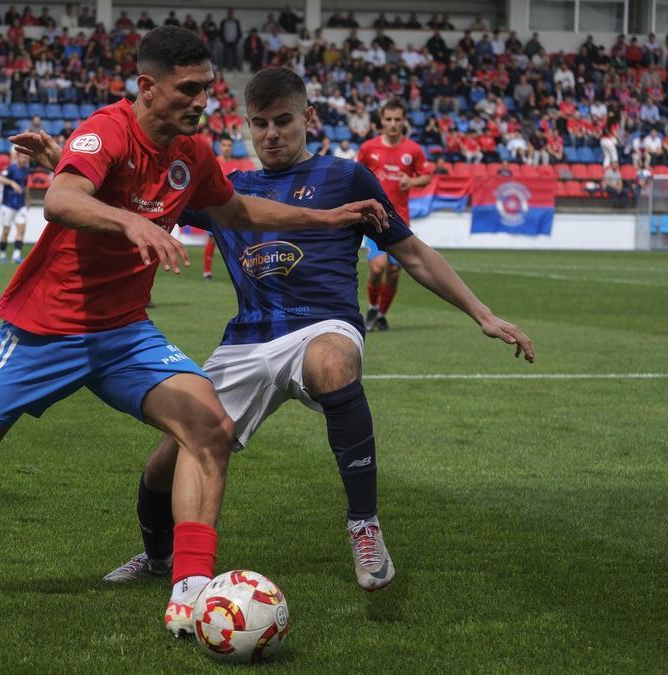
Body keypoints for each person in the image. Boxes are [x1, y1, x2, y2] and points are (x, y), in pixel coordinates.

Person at [0, 27, 386, 639]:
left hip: (125, 333)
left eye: (207, 88)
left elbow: (237, 210)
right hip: (45, 329)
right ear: (147, 87)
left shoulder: (192, 153)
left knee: (209, 430)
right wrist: (130, 223)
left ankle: (189, 593)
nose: (202, 101)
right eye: (188, 89)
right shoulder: (107, 128)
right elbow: (62, 198)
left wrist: (324, 218)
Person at [77, 67, 532, 593]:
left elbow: (412, 253)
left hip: (323, 326)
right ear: (248, 125)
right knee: (168, 459)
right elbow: (140, 197)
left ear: (309, 118)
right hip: (246, 340)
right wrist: (65, 167)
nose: (271, 134)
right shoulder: (228, 190)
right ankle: (158, 557)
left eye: (284, 121)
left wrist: (483, 314)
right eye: (260, 124)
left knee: (332, 362)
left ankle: (364, 526)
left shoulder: (348, 179)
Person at [356, 99, 430, 332]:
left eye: (397, 119)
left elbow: (426, 176)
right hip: (374, 219)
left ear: (404, 120)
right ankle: (372, 307)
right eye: (388, 119)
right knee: (378, 267)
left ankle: (381, 315)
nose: (393, 123)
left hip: (400, 219)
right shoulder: (369, 148)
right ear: (382, 120)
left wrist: (412, 181)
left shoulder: (413, 150)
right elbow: (356, 175)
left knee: (395, 271)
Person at [203, 137, 237, 280]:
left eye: (229, 145)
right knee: (212, 238)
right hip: (215, 206)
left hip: (233, 208)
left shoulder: (237, 166)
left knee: (235, 241)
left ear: (232, 147)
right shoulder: (213, 163)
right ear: (219, 147)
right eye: (224, 145)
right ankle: (207, 271)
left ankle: (238, 271)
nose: (226, 148)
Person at [0, 148, 31, 264]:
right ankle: (2, 254)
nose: (25, 159)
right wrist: (11, 183)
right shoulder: (11, 168)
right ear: (18, 157)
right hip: (8, 204)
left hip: (20, 205)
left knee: (21, 230)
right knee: (6, 231)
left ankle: (16, 256)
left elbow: (25, 186)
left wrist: (27, 200)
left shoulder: (26, 170)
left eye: (27, 157)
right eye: (23, 157)